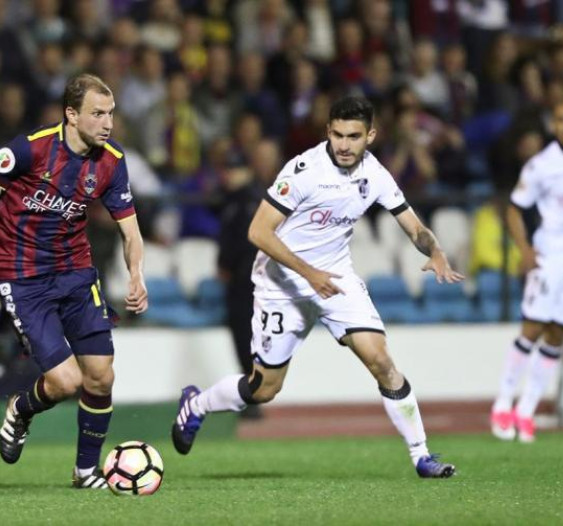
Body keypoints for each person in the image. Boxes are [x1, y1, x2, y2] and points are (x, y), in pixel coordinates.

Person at [171, 96, 464, 478]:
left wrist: (435, 248)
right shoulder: (304, 170)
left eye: (354, 136)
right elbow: (258, 231)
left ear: (370, 136)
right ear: (328, 131)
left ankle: (421, 456)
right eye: (338, 134)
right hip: (282, 284)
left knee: (381, 360)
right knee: (263, 388)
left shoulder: (375, 174)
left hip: (336, 278)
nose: (344, 144)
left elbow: (411, 224)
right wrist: (308, 273)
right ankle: (197, 405)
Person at [0, 73, 148, 488]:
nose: (108, 123)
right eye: (98, 114)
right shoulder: (31, 148)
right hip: (21, 276)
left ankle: (85, 472)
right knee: (65, 382)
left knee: (101, 375)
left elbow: (130, 230)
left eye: (111, 113)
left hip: (75, 271)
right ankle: (21, 408)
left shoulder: (111, 160)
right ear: (71, 114)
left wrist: (137, 275)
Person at [490, 98, 563, 443]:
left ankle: (526, 410)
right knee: (532, 328)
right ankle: (502, 402)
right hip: (550, 255)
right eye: (560, 120)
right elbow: (514, 209)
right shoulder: (542, 166)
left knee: (558, 333)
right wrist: (525, 249)